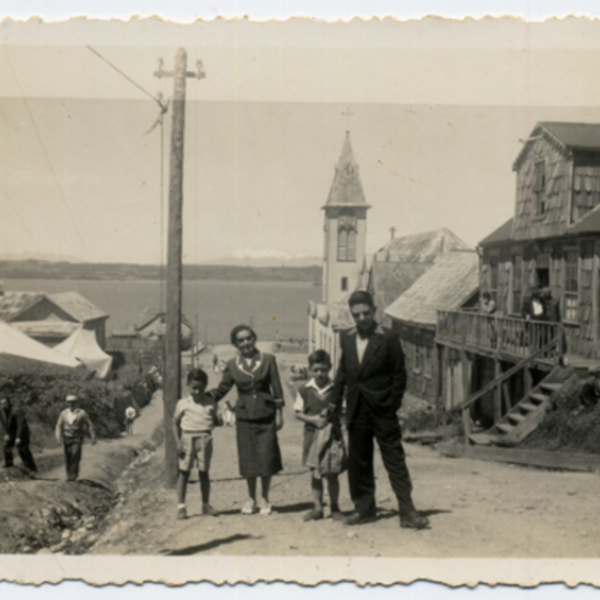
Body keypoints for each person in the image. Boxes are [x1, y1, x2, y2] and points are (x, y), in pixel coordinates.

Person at [328, 290, 429, 530]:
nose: (361, 318)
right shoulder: (347, 337)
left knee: (394, 460)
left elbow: (399, 375)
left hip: (382, 410)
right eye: (356, 314)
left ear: (373, 310)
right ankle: (364, 509)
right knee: (359, 462)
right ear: (351, 315)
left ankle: (407, 511)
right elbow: (343, 371)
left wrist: (391, 404)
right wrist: (334, 401)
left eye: (365, 313)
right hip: (356, 410)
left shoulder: (388, 337)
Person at [208, 325, 284, 515]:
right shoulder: (233, 365)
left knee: (266, 456)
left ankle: (265, 498)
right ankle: (251, 498)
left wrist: (279, 413)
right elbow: (222, 389)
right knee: (248, 457)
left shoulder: (268, 360)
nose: (246, 343)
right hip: (244, 416)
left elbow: (277, 388)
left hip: (266, 414)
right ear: (236, 344)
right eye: (241, 340)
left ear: (254, 339)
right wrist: (202, 398)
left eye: (249, 338)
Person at [294, 349, 344, 522]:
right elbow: (298, 413)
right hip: (312, 435)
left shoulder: (336, 389)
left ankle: (335, 507)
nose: (320, 373)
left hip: (332, 437)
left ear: (329, 368)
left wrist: (333, 419)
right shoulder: (304, 389)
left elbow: (343, 410)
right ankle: (317, 507)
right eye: (316, 370)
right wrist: (313, 419)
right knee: (315, 473)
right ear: (309, 369)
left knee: (332, 472)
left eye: (323, 369)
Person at [173, 369, 221, 520]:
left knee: (204, 472)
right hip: (187, 439)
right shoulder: (182, 404)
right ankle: (181, 506)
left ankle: (205, 505)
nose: (197, 391)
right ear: (188, 386)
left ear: (206, 386)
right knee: (184, 473)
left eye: (201, 388)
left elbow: (215, 420)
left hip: (205, 439)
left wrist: (218, 419)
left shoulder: (211, 403)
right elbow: (174, 423)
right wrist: (177, 442)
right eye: (194, 388)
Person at [55, 394, 96, 482]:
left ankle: (73, 475)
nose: (71, 404)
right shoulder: (63, 413)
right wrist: (58, 437)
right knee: (68, 456)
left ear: (76, 403)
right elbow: (59, 425)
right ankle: (69, 474)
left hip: (77, 437)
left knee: (75, 453)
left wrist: (93, 436)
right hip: (67, 437)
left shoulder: (81, 413)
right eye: (69, 403)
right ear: (67, 403)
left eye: (73, 403)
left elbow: (89, 424)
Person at [0, 393, 37, 476]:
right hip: (11, 433)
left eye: (5, 403)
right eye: (1, 404)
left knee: (22, 450)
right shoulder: (1, 411)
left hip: (22, 433)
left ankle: (31, 469)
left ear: (9, 403)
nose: (3, 405)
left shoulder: (16, 410)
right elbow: (3, 424)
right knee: (6, 446)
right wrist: (5, 434)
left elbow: (21, 424)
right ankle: (9, 463)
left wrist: (18, 437)